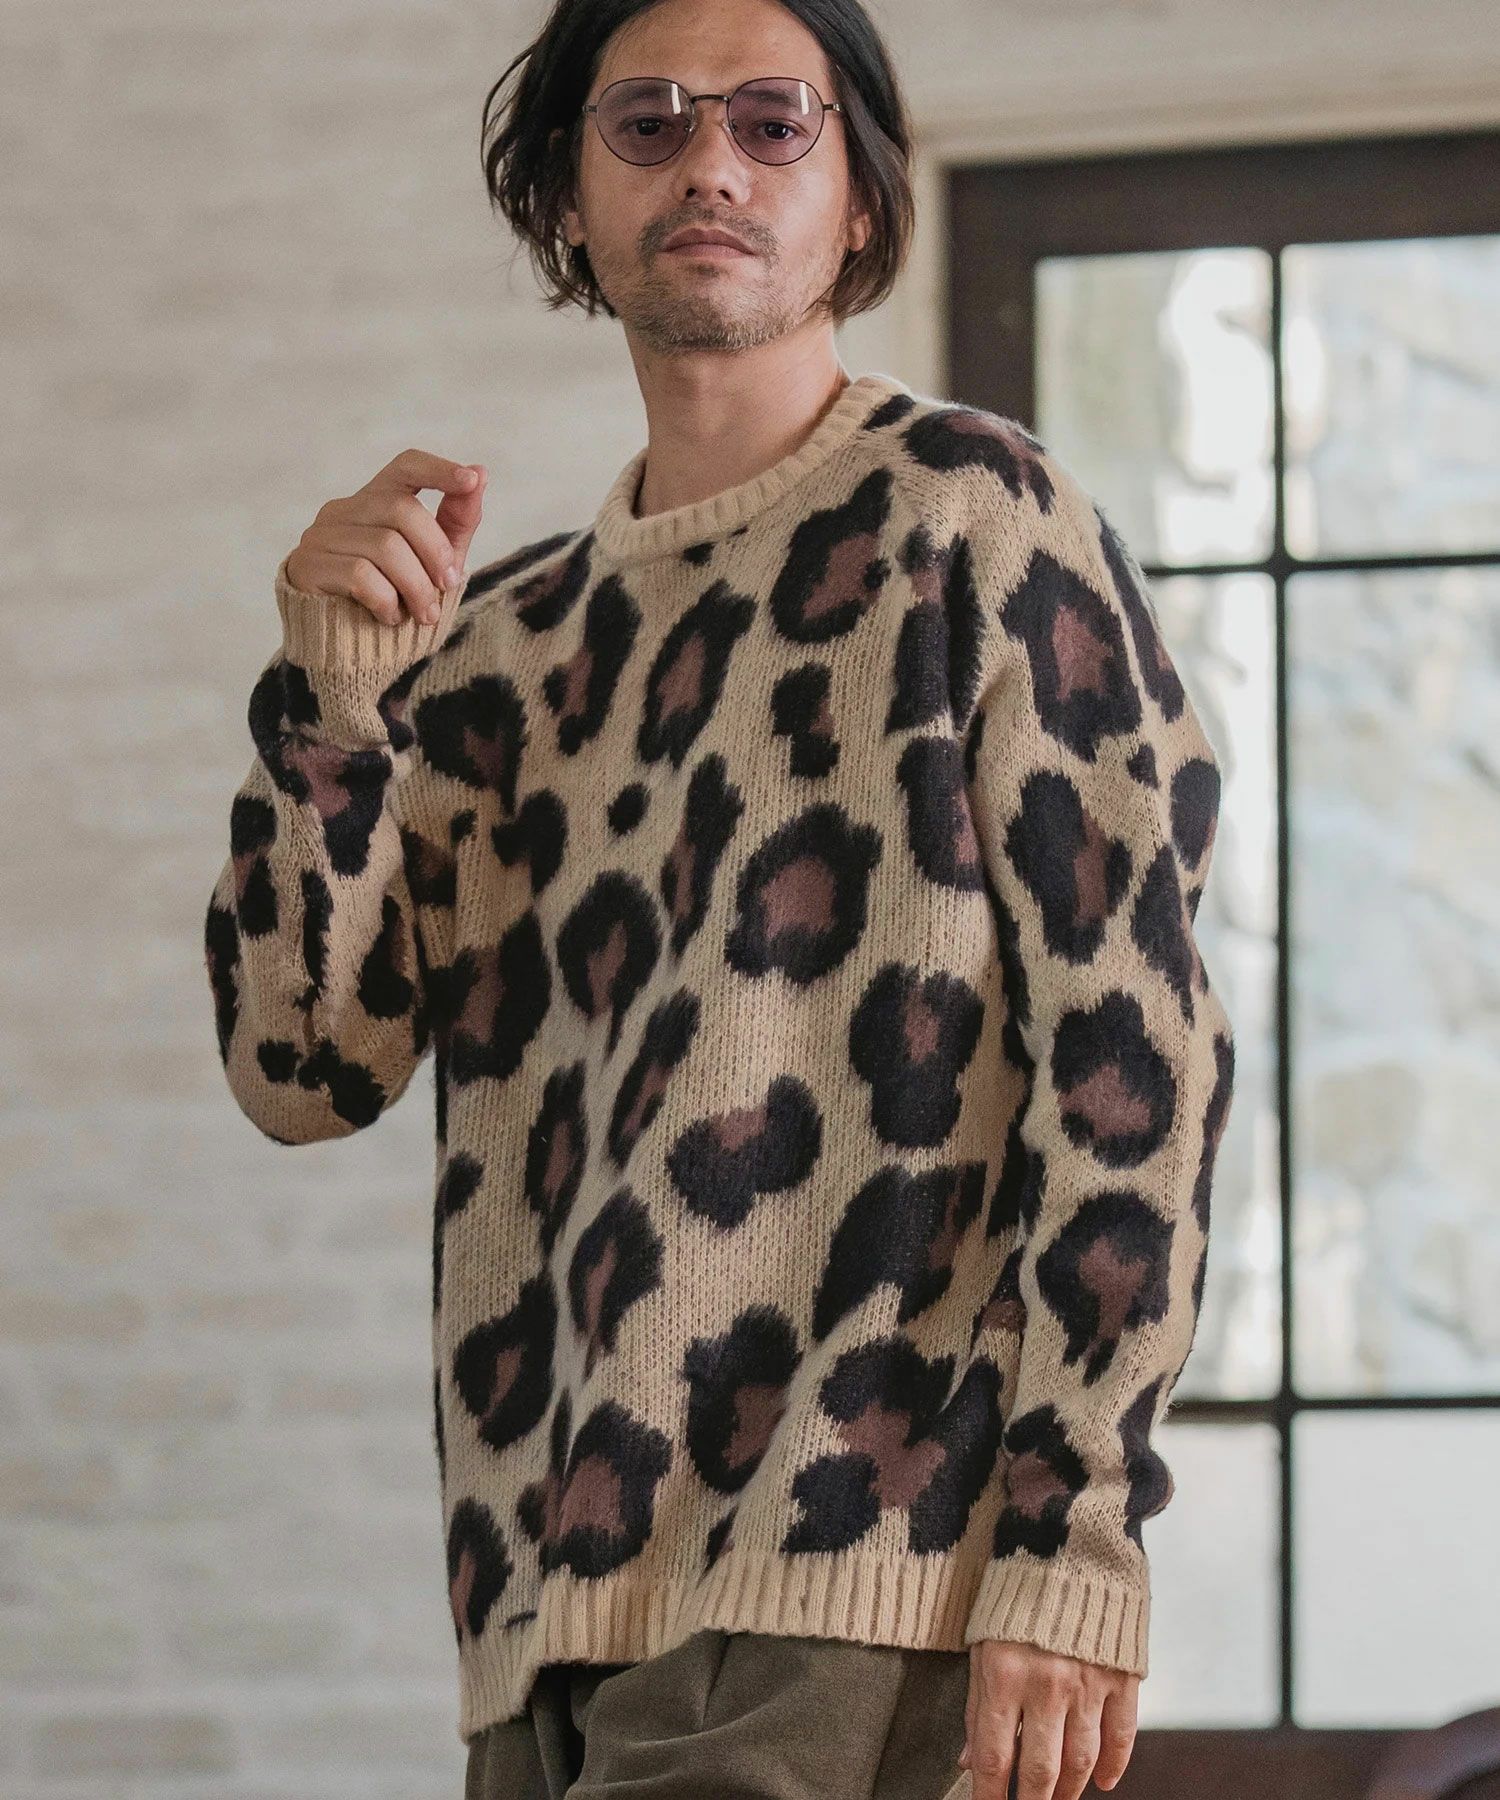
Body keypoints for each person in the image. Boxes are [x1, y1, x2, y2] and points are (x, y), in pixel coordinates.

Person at [202, 0, 1236, 1795]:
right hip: (542, 1615)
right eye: (651, 120)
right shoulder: (498, 649)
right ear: (567, 198)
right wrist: (334, 709)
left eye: (774, 122)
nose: (712, 164)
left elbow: (1135, 1053)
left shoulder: (970, 520)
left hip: (863, 1568)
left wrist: (1074, 1537)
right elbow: (303, 1069)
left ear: (859, 197)